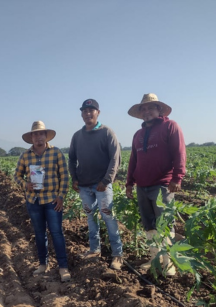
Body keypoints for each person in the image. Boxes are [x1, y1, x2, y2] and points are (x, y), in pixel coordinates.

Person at [126, 93, 187, 275]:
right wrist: (129, 183)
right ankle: (155, 259)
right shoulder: (138, 134)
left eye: (151, 107)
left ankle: (168, 263)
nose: (147, 112)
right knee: (149, 225)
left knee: (165, 224)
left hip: (163, 185)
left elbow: (179, 153)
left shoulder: (170, 126)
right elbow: (133, 161)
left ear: (159, 109)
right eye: (143, 109)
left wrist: (177, 178)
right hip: (142, 186)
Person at [68, 99, 124, 270]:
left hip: (102, 186)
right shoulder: (77, 136)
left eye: (91, 110)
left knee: (108, 217)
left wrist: (106, 181)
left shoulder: (107, 133)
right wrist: (74, 178)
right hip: (84, 186)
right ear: (82, 114)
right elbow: (71, 159)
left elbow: (115, 159)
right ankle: (94, 249)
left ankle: (117, 255)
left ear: (98, 112)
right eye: (84, 111)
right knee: (90, 218)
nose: (88, 113)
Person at [14, 121, 70, 282]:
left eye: (41, 134)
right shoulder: (25, 155)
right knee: (39, 234)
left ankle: (63, 267)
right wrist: (26, 185)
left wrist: (61, 197)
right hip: (33, 201)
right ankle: (43, 264)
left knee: (57, 233)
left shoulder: (56, 153)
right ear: (31, 137)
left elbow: (64, 176)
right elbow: (16, 176)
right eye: (35, 134)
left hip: (53, 200)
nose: (38, 137)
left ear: (46, 136)